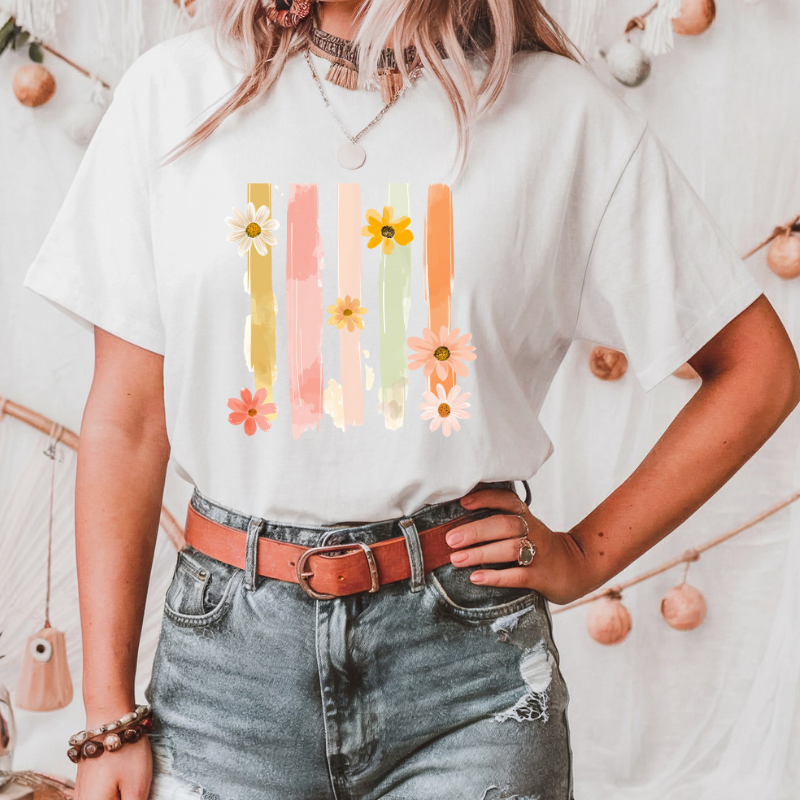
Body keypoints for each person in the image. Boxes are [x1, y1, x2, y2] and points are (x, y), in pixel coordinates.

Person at [22, 0, 799, 798]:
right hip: (225, 684)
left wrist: (585, 555)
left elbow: (758, 369)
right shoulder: (174, 94)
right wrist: (106, 714)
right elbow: (128, 421)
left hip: (470, 684)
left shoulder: (563, 116)